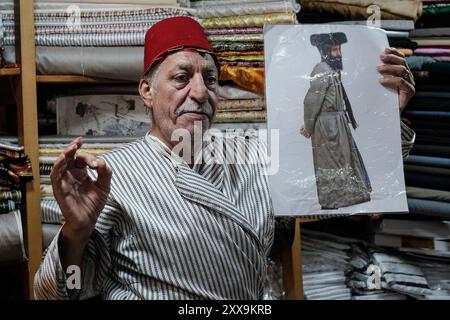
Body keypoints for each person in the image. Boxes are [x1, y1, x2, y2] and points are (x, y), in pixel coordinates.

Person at [34, 17, 415, 300]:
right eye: (182, 78)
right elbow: (60, 292)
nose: (200, 92)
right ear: (147, 91)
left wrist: (384, 115)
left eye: (211, 79)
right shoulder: (114, 175)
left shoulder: (253, 152)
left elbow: (338, 179)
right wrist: (76, 231)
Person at [300, 32, 415, 210]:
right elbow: (311, 100)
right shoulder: (321, 70)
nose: (339, 54)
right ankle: (334, 200)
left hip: (337, 123)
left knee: (344, 161)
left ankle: (348, 197)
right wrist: (308, 126)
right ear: (324, 52)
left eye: (339, 49)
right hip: (327, 127)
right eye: (335, 50)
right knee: (332, 163)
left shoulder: (331, 70)